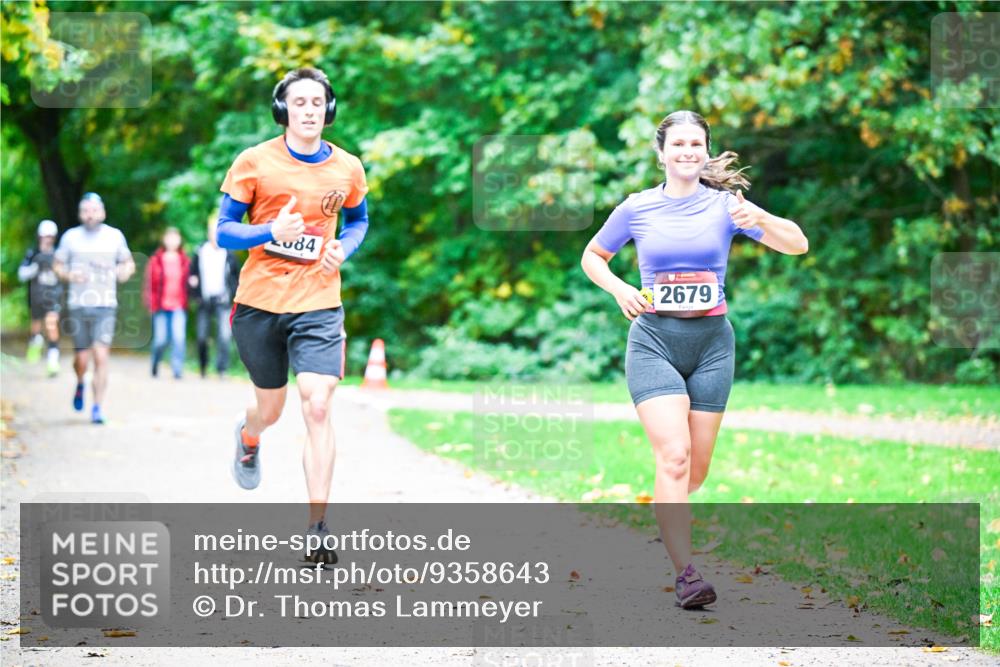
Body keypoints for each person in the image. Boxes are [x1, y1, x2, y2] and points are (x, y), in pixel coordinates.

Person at [580, 110, 808, 609]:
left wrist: (762, 219)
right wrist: (620, 290)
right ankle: (686, 574)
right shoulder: (636, 208)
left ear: (706, 151)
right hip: (654, 341)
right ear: (661, 153)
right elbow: (592, 256)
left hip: (711, 345)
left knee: (695, 471)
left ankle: (668, 505)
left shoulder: (729, 207)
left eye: (696, 144)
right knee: (674, 456)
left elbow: (798, 244)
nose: (687, 151)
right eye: (677, 144)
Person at [216, 66, 370, 564]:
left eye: (317, 102)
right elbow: (223, 231)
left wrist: (343, 248)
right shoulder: (254, 162)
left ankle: (318, 526)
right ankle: (249, 435)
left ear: (329, 109)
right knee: (273, 409)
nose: (309, 111)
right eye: (299, 102)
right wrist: (268, 234)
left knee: (318, 404)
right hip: (260, 304)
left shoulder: (347, 167)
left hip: (319, 302)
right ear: (284, 109)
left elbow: (359, 220)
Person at [54, 192, 136, 424]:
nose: (90, 215)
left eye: (94, 210)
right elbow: (57, 266)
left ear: (102, 212)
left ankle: (98, 407)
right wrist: (70, 275)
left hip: (105, 305)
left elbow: (128, 263)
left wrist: (123, 271)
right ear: (81, 213)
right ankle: (80, 382)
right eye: (86, 210)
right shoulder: (70, 237)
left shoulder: (114, 236)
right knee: (81, 359)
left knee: (101, 356)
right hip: (79, 305)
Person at [188, 216, 240, 378]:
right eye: (213, 232)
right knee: (202, 336)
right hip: (204, 300)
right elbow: (192, 274)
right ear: (208, 234)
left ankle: (221, 369)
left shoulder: (230, 255)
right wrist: (194, 288)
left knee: (224, 336)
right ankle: (203, 367)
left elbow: (235, 278)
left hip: (223, 300)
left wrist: (231, 295)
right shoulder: (199, 252)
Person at [143, 227, 191, 379]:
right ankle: (155, 362)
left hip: (179, 305)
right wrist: (149, 303)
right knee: (160, 340)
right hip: (160, 306)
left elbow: (190, 282)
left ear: (179, 240)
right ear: (164, 239)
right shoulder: (155, 260)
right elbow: (148, 284)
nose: (172, 241)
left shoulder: (185, 260)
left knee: (179, 338)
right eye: (169, 237)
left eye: (175, 237)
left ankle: (177, 370)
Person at [18, 219, 64, 376]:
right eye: (45, 236)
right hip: (36, 297)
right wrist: (35, 268)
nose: (47, 239)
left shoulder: (58, 254)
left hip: (53, 296)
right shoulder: (32, 253)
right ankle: (35, 342)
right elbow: (22, 274)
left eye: (50, 236)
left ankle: (53, 361)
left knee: (52, 325)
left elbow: (65, 273)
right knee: (36, 326)